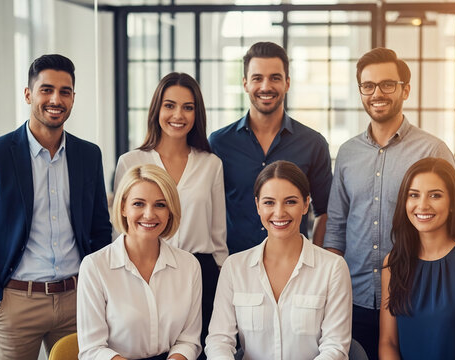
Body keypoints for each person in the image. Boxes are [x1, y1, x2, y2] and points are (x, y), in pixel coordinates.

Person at [0, 54, 112, 359]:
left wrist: (97, 291)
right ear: (28, 94)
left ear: (73, 98)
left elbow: (99, 229)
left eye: (65, 91)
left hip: (76, 301)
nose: (56, 99)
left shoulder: (88, 155)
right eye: (46, 89)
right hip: (15, 302)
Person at [323, 47, 455, 360]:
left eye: (387, 85)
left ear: (405, 90)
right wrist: (329, 294)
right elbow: (336, 228)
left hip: (414, 297)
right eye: (367, 86)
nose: (376, 93)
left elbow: (451, 229)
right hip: (353, 300)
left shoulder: (433, 151)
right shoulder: (346, 152)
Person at [113, 72, 227, 357]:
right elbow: (121, 227)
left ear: (196, 113)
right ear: (157, 110)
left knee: (191, 350)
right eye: (170, 105)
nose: (178, 114)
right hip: (142, 269)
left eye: (188, 107)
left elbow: (218, 237)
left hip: (200, 273)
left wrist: (223, 286)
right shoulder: (130, 162)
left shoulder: (211, 164)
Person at [205, 160, 352, 360]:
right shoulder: (234, 267)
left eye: (290, 201)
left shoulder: (333, 268)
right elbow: (219, 340)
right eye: (269, 202)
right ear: (257, 206)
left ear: (306, 204)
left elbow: (335, 346)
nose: (279, 212)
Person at [209, 42, 332, 253]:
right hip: (234, 268)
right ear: (245, 83)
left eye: (275, 78)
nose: (266, 87)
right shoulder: (219, 143)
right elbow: (208, 210)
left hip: (295, 269)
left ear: (287, 83)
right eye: (257, 78)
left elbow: (325, 211)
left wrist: (317, 260)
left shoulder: (313, 144)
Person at [78, 164, 202, 360]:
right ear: (123, 207)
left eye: (160, 205)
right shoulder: (95, 267)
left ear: (170, 211)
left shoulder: (189, 266)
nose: (149, 214)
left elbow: (188, 341)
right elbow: (92, 349)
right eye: (138, 204)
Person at [380, 157, 455, 359]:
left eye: (435, 195)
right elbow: (388, 343)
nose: (422, 205)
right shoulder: (393, 262)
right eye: (414, 195)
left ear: (453, 203)